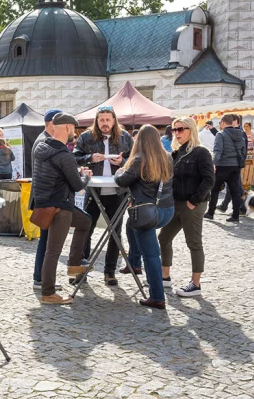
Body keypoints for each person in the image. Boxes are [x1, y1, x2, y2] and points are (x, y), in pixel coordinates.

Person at [32, 113, 92, 304]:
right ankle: (48, 293)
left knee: (85, 221)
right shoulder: (64, 154)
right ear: (67, 127)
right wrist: (86, 176)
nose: (75, 132)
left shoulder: (41, 147)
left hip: (43, 204)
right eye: (73, 128)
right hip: (59, 207)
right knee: (53, 250)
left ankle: (74, 264)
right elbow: (76, 185)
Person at [114, 125, 175, 310]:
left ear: (139, 140)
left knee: (151, 255)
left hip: (146, 212)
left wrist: (119, 170)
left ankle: (157, 297)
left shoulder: (139, 159)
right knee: (132, 229)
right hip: (166, 210)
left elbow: (121, 180)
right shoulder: (167, 156)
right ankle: (133, 262)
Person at [74, 106, 134, 285]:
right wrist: (90, 158)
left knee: (114, 232)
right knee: (85, 229)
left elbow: (135, 160)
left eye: (108, 120)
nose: (105, 123)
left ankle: (110, 272)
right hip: (93, 190)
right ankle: (81, 271)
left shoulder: (125, 137)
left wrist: (122, 161)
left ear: (114, 120)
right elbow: (74, 158)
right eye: (101, 120)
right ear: (96, 121)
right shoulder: (86, 136)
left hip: (118, 191)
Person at [156, 117, 214, 298]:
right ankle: (165, 277)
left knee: (194, 243)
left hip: (193, 204)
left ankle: (195, 284)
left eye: (181, 129)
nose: (177, 133)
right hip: (176, 203)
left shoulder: (200, 152)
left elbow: (209, 180)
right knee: (164, 237)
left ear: (191, 130)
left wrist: (193, 201)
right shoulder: (176, 153)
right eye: (174, 130)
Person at [31, 108, 60, 289]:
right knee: (47, 241)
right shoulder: (45, 141)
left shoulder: (43, 139)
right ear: (52, 124)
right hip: (46, 198)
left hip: (44, 197)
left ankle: (40, 278)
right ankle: (40, 279)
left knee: (46, 240)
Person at [205, 114, 246, 223]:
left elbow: (217, 151)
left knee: (215, 189)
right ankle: (235, 215)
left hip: (223, 166)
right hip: (235, 166)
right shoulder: (240, 134)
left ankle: (210, 213)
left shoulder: (221, 134)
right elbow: (243, 151)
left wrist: (214, 164)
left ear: (223, 123)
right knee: (235, 191)